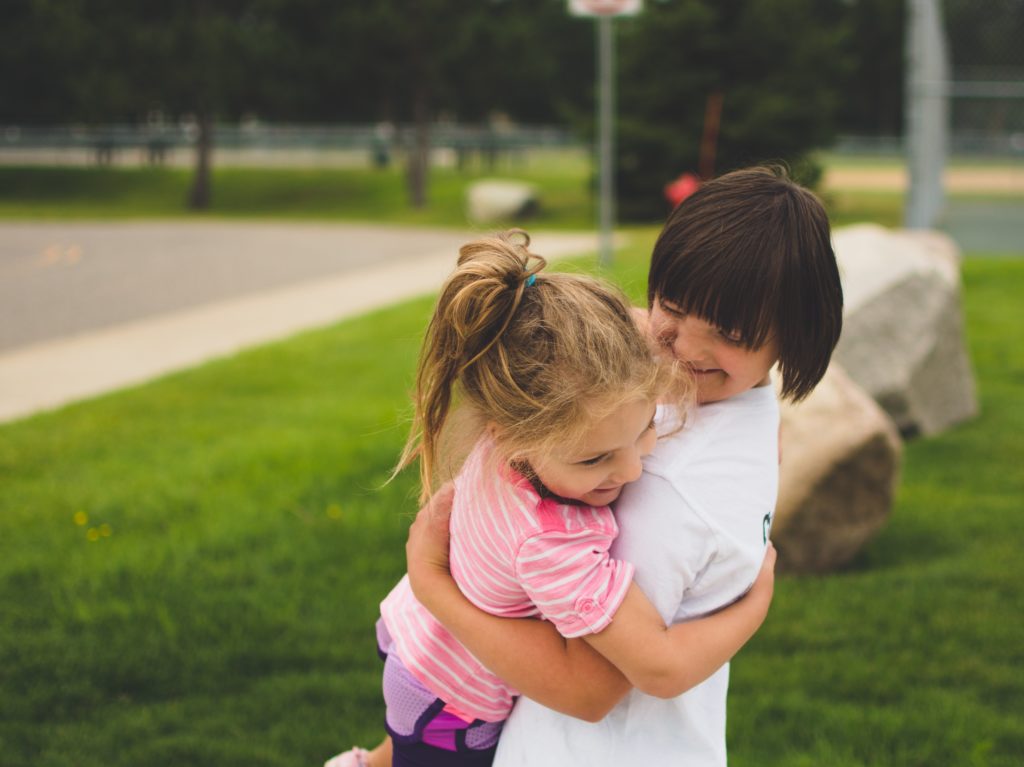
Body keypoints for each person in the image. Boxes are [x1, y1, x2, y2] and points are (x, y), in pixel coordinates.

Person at [403, 166, 844, 766]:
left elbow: (592, 686)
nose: (685, 349)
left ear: (794, 336)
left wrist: (433, 585)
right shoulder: (733, 401)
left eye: (729, 333)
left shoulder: (662, 487)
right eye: (674, 307)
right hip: (467, 687)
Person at [326, 229, 778, 767]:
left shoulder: (535, 389)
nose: (632, 468)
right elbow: (659, 670)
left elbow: (609, 333)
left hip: (416, 644)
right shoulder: (552, 543)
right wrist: (755, 603)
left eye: (643, 431)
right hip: (453, 705)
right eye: (595, 460)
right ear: (515, 436)